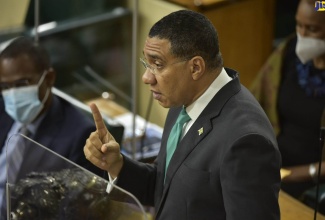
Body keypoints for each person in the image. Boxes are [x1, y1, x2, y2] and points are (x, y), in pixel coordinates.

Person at [84, 10, 281, 219]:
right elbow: (165, 185)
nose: (146, 77)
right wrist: (117, 165)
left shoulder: (247, 141)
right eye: (147, 63)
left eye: (157, 65)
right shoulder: (183, 98)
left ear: (195, 67)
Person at [0, 37, 103, 218]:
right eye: (5, 86)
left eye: (22, 84)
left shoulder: (79, 134)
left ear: (49, 78)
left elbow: (76, 210)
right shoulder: (2, 108)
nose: (12, 94)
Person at [250, 0, 325, 201]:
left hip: (312, 179)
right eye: (298, 25)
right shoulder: (288, 52)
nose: (302, 35)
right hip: (271, 161)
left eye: (312, 29)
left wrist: (293, 174)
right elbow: (252, 103)